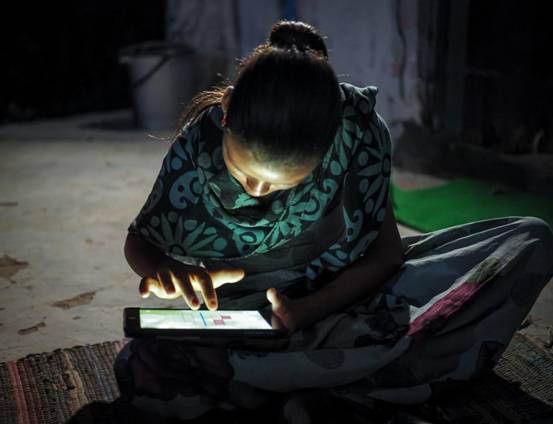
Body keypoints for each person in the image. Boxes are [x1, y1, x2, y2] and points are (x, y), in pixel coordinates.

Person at [114, 20, 553, 423]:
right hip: (256, 316)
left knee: (530, 239)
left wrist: (309, 311)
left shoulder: (359, 131)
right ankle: (353, 387)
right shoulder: (200, 142)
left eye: (286, 181)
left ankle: (285, 386)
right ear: (227, 112)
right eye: (247, 173)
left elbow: (385, 256)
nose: (259, 192)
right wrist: (165, 269)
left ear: (329, 141)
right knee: (141, 364)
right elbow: (142, 241)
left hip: (353, 297)